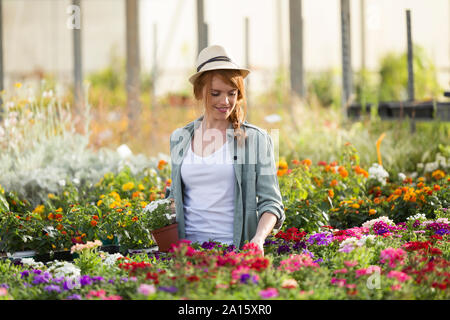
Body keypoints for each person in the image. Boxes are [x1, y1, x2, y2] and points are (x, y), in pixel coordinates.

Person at [166, 45, 285, 255]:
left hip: (233, 253)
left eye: (232, 93)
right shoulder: (180, 138)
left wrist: (258, 239)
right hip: (187, 255)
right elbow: (175, 199)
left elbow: (272, 203)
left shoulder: (257, 140)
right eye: (216, 93)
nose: (225, 101)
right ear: (200, 92)